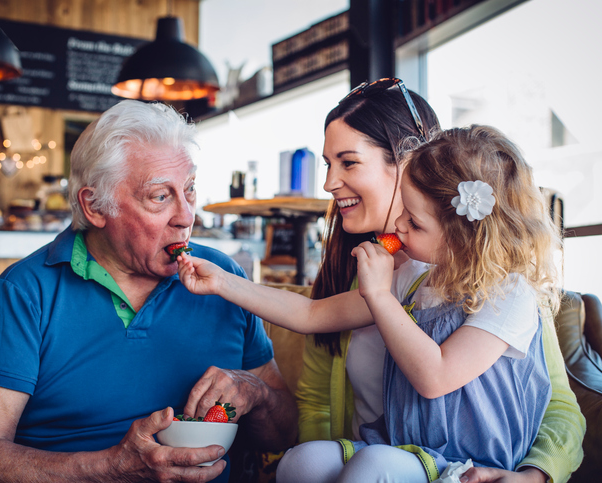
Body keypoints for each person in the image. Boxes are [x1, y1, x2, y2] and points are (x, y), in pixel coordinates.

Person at [176, 124, 560, 481]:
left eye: (414, 222)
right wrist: (225, 282)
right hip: (405, 446)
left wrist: (378, 294)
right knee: (302, 461)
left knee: (374, 466)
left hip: (469, 461)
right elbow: (311, 314)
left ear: (465, 236)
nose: (399, 227)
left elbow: (435, 378)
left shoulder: (510, 295)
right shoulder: (413, 279)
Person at [0, 100, 298, 483]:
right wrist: (112, 468)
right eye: (159, 196)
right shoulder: (24, 294)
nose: (186, 217)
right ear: (95, 206)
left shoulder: (224, 278)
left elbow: (284, 434)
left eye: (190, 189)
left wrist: (256, 393)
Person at [292, 78, 584, 483]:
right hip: (381, 458)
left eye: (349, 162)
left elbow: (559, 407)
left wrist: (535, 475)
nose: (328, 183)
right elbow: (316, 402)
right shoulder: (359, 271)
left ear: (408, 157)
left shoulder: (498, 283)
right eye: (327, 164)